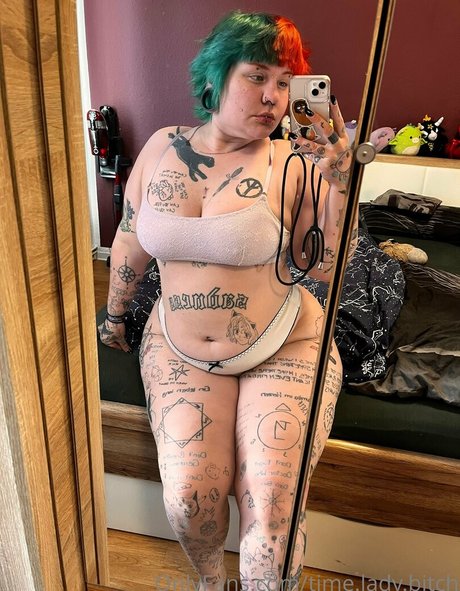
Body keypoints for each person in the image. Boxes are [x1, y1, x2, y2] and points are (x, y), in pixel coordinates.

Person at [99, 10, 356, 590]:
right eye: (257, 76)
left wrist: (339, 181)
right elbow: (131, 240)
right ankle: (211, 581)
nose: (273, 97)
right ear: (215, 77)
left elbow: (325, 264)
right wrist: (115, 315)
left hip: (282, 343)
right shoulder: (162, 147)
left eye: (284, 83)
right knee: (188, 499)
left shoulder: (294, 162)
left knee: (272, 509)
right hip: (179, 347)